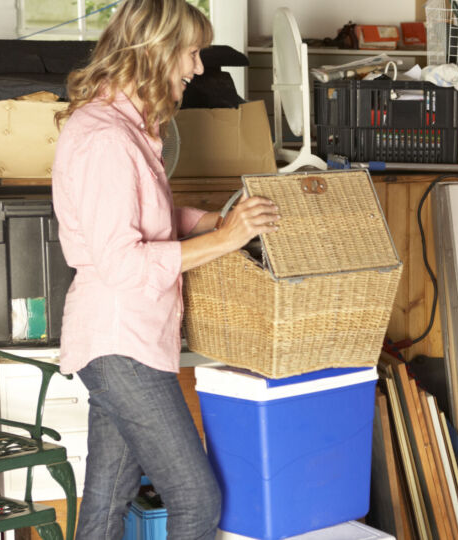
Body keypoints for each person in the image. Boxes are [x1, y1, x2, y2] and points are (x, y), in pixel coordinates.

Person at [51, 1, 280, 538]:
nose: (198, 68)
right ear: (154, 52)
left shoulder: (125, 129)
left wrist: (209, 221)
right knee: (197, 500)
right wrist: (226, 239)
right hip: (119, 343)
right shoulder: (107, 139)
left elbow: (142, 217)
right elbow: (123, 260)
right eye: (192, 52)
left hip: (129, 342)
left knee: (107, 502)